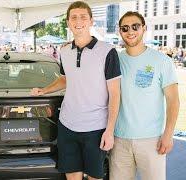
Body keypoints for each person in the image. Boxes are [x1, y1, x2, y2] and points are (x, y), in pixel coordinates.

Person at [31, 1, 121, 180]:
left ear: (91, 21)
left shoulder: (108, 51)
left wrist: (109, 130)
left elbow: (115, 94)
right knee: (72, 176)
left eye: (83, 17)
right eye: (74, 17)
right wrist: (44, 90)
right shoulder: (64, 50)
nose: (78, 21)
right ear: (68, 22)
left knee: (94, 177)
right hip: (67, 125)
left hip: (96, 127)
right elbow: (65, 78)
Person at [110, 11, 180, 180]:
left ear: (144, 28)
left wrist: (168, 135)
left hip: (151, 140)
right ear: (120, 31)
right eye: (125, 28)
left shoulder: (162, 61)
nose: (130, 31)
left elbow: (173, 101)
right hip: (119, 140)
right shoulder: (114, 60)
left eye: (135, 26)